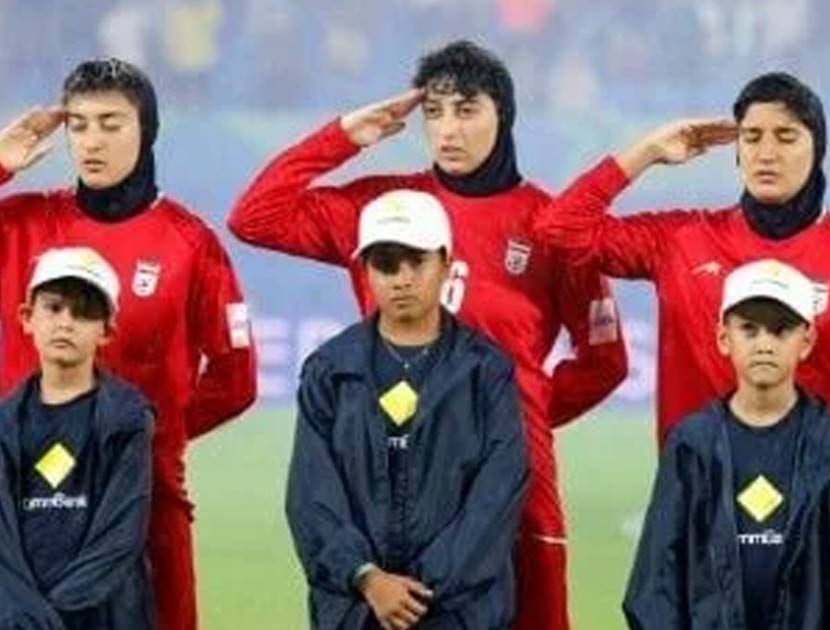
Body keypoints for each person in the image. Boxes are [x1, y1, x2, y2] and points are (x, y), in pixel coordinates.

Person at [229, 40, 626, 629]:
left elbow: (604, 361)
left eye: (466, 110)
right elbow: (253, 217)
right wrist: (344, 137)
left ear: (503, 115)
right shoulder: (382, 210)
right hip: (384, 473)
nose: (447, 129)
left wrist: (508, 417)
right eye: (434, 112)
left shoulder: (549, 224)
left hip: (511, 483)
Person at [534, 71, 830, 446]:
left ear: (818, 149)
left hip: (817, 489)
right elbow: (558, 230)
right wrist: (647, 151)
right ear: (738, 152)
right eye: (752, 137)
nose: (766, 154)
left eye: (786, 137)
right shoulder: (681, 240)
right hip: (695, 487)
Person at [0, 57, 257, 630]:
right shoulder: (20, 223)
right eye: (78, 125)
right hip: (16, 499)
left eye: (110, 124)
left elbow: (236, 379)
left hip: (146, 500)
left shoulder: (190, 242)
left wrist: (151, 434)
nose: (91, 141)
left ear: (147, 130)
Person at [287, 190, 528, 630]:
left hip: (459, 615)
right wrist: (367, 578)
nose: (401, 279)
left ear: (447, 264)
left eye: (417, 262)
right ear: (365, 270)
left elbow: (496, 497)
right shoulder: (330, 370)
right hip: (356, 612)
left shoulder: (487, 371)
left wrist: (416, 594)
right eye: (385, 264)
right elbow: (312, 495)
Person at [624, 259, 830, 629]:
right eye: (749, 329)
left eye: (781, 330)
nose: (764, 344)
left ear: (807, 341)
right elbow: (656, 579)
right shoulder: (692, 442)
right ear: (724, 338)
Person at [0, 247, 154, 629]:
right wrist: (25, 612)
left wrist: (49, 617)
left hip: (103, 618)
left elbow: (119, 536)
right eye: (54, 308)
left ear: (107, 331)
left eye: (84, 312)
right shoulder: (4, 423)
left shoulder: (128, 419)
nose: (66, 323)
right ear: (26, 318)